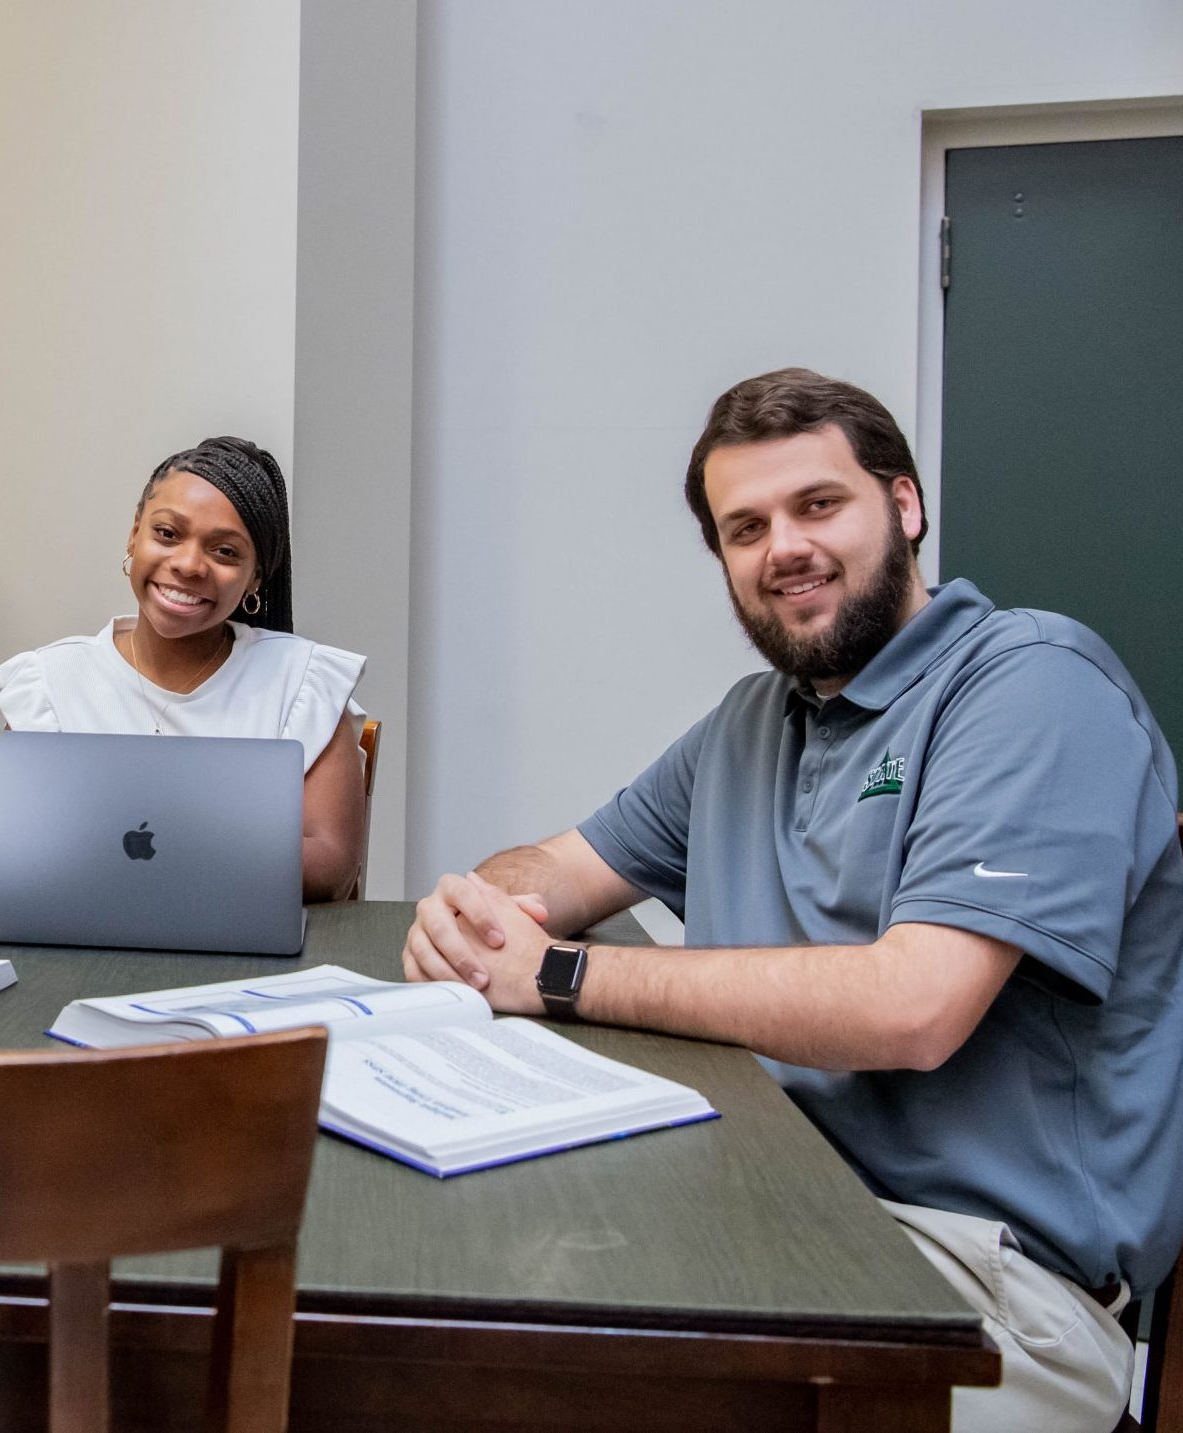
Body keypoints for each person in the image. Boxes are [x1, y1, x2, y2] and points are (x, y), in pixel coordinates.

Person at [403, 368, 1183, 1432]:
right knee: (459, 1317)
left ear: (902, 505)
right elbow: (558, 868)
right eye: (744, 527)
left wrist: (558, 971)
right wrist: (475, 907)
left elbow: (912, 1006)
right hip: (757, 1212)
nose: (784, 548)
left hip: (990, 1290)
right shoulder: (747, 724)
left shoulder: (1031, 683)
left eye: (818, 505)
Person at [0, 436, 368, 901]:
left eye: (226, 552)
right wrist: (225, 840)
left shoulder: (304, 684)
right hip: (84, 947)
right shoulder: (52, 681)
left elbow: (331, 867)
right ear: (134, 533)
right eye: (167, 534)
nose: (189, 565)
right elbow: (3, 849)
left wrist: (118, 839)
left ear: (256, 577)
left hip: (250, 956)